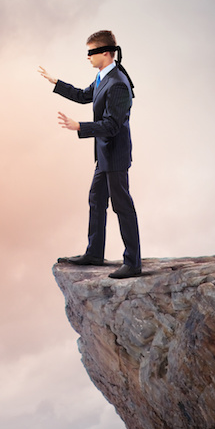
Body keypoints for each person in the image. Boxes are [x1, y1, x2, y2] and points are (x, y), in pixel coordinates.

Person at [38, 30, 141, 279]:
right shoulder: (103, 77)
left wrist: (80, 126)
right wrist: (56, 82)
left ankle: (133, 262)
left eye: (91, 52)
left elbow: (112, 126)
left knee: (122, 206)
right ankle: (94, 253)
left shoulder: (118, 83)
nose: (88, 57)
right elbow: (85, 95)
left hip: (115, 155)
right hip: (104, 154)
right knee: (96, 199)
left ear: (105, 53)